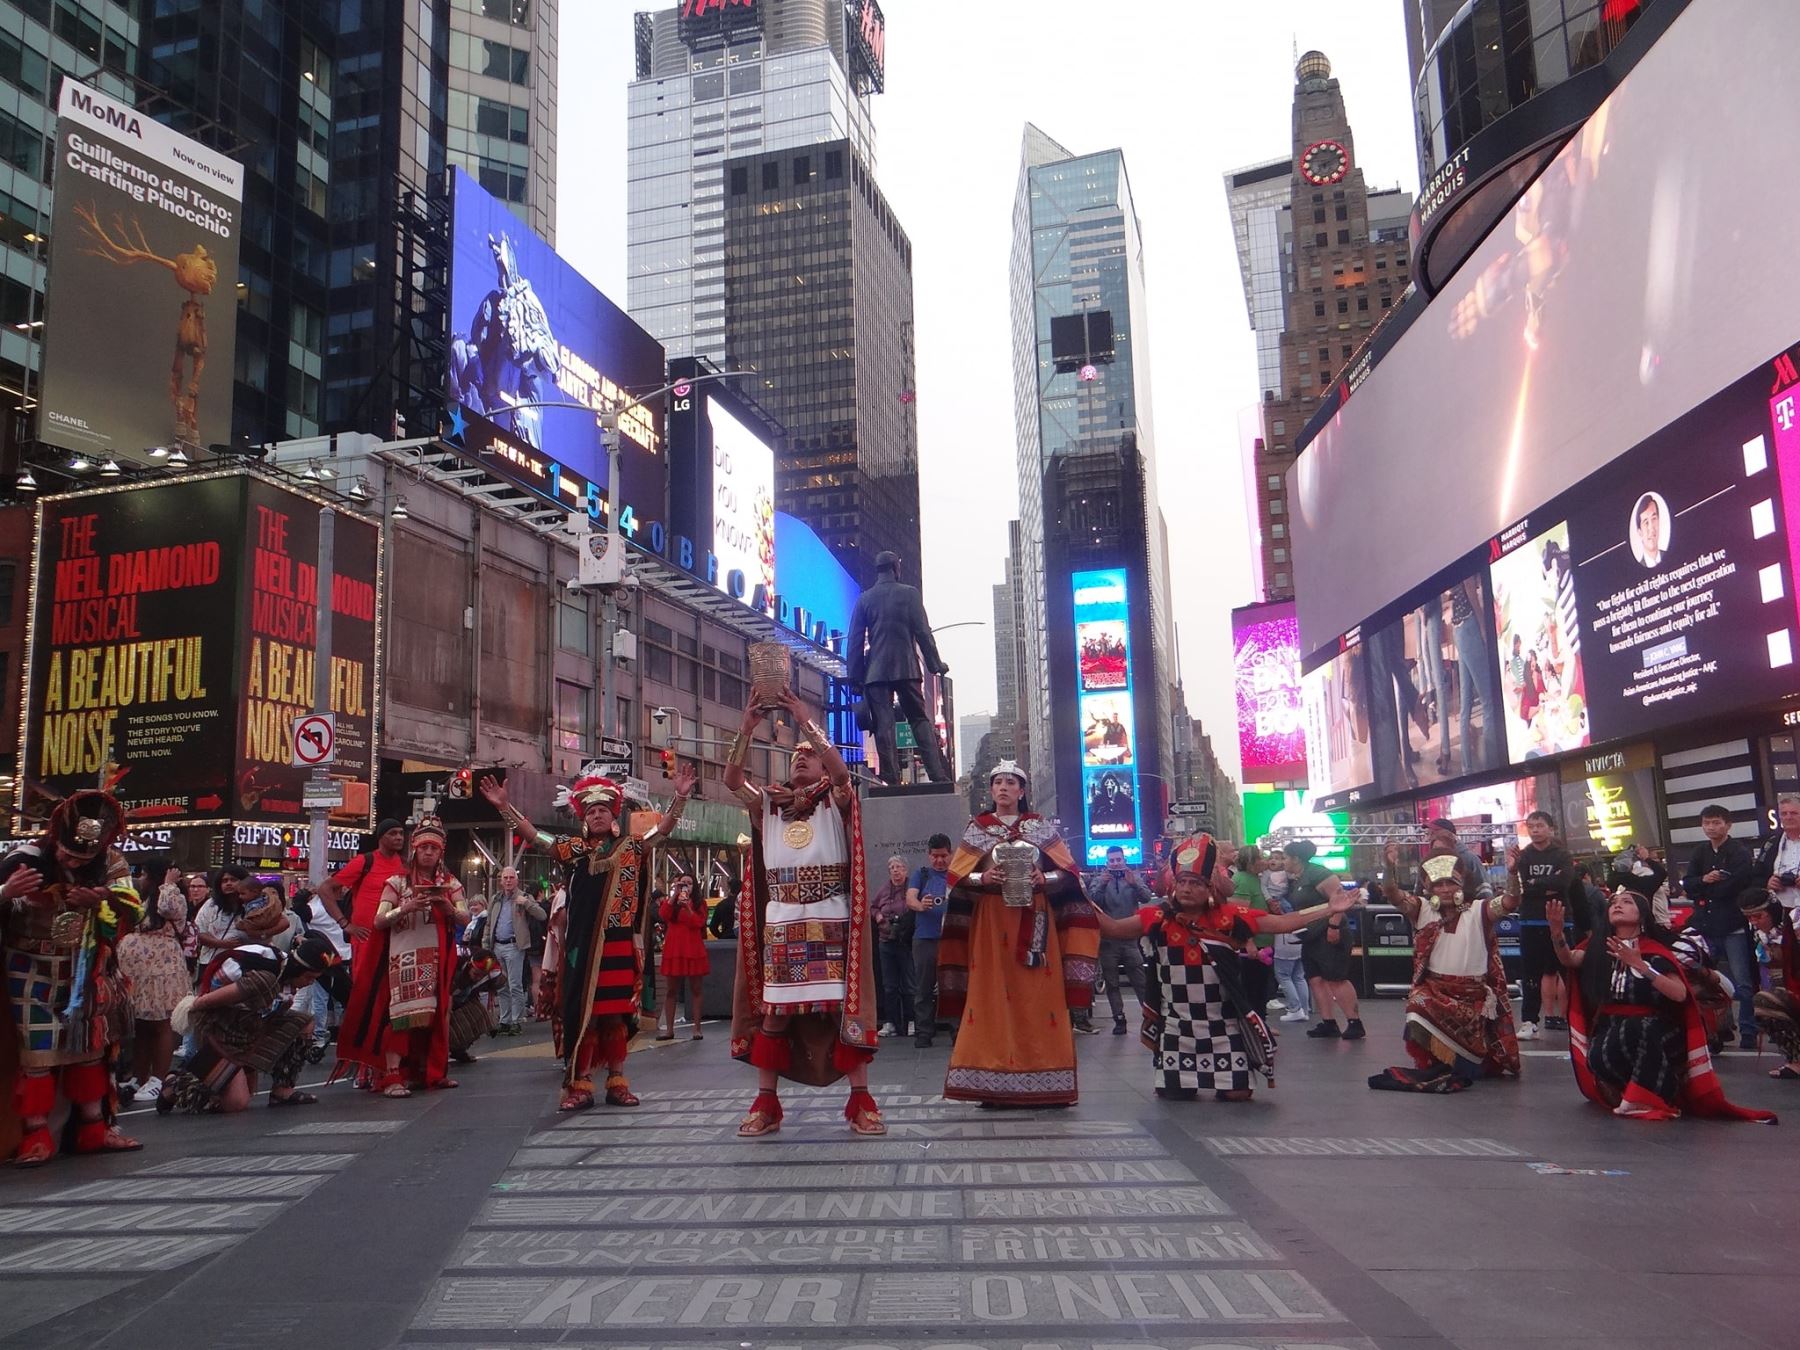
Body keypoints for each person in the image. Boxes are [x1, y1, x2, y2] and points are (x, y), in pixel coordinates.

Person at [482, 762, 694, 1112]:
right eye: (592, 810)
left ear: (613, 815)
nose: (597, 815)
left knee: (615, 1015)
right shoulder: (571, 849)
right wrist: (505, 808)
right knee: (584, 1012)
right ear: (583, 816)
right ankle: (581, 1083)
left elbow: (664, 830)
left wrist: (680, 796)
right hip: (583, 946)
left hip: (618, 943)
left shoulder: (632, 846)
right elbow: (534, 835)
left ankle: (617, 1080)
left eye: (603, 810)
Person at [1091, 835, 1357, 1102]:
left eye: (1194, 883)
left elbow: (1283, 923)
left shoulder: (1229, 916)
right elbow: (1112, 928)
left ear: (1209, 889)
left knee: (1238, 1094)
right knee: (1174, 1094)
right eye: (1182, 882)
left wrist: (1328, 909)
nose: (1186, 889)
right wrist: (1077, 894)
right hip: (1176, 1027)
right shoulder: (1158, 917)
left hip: (1222, 1025)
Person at [725, 689, 883, 1137]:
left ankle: (861, 1103)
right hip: (782, 920)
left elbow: (839, 771)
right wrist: (746, 728)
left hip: (831, 915)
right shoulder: (768, 805)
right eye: (794, 755)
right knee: (775, 1014)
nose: (800, 759)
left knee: (840, 1011)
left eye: (808, 755)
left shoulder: (837, 800)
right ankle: (766, 1105)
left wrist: (804, 719)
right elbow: (733, 779)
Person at [936, 761, 1099, 1107]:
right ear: (991, 790)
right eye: (998, 783)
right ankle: (990, 1083)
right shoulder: (977, 828)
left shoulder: (1040, 828)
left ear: (1021, 791)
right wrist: (983, 879)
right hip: (991, 922)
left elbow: (1071, 874)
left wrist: (1046, 878)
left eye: (1011, 782)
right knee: (991, 997)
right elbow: (956, 878)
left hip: (1035, 918)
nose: (1004, 788)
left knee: (1039, 997)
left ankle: (1047, 1079)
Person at [1, 790, 145, 1165]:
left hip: (85, 967)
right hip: (28, 966)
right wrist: (6, 892)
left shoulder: (112, 862)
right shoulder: (26, 858)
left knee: (90, 1051)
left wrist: (100, 901)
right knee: (37, 1055)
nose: (70, 859)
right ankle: (35, 1137)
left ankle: (93, 1129)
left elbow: (134, 909)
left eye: (82, 857)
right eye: (67, 853)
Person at [1553, 889, 1774, 1122]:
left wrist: (1641, 966)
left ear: (1642, 915)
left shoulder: (1655, 950)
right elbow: (1568, 958)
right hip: (1612, 1026)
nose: (1617, 905)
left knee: (1638, 1028)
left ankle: (1646, 1097)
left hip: (1658, 1028)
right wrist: (1556, 932)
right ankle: (1645, 1088)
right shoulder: (1598, 948)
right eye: (1613, 903)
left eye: (1626, 902)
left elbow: (1679, 994)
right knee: (1597, 1059)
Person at [332, 817, 469, 1098]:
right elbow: (379, 920)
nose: (428, 853)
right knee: (401, 1017)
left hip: (435, 960)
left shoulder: (451, 883)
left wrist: (445, 906)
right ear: (415, 850)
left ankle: (428, 1072)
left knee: (434, 1017)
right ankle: (392, 1075)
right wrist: (407, 908)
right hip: (401, 958)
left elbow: (465, 917)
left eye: (433, 848)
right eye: (423, 848)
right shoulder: (396, 882)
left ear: (440, 851)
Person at [1369, 850, 1521, 1092]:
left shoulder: (1480, 910)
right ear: (1429, 888)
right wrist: (1389, 868)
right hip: (1434, 990)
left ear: (1461, 885)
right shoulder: (1422, 909)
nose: (1445, 889)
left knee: (1471, 1072)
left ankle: (1461, 1066)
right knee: (1417, 1006)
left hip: (1471, 997)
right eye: (1439, 884)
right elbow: (1392, 893)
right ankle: (1430, 1063)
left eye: (1451, 882)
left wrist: (1513, 873)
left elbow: (1511, 901)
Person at [160, 932, 341, 1114]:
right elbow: (204, 1002)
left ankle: (282, 1092)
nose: (309, 983)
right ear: (298, 968)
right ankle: (174, 1086)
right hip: (220, 1030)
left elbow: (267, 1012)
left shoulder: (281, 971)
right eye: (309, 978)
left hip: (245, 1029)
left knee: (303, 1023)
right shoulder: (263, 976)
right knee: (236, 1103)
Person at [846, 550, 953, 784]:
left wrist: (854, 677)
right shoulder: (910, 594)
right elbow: (923, 633)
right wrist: (935, 664)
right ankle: (937, 775)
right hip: (906, 667)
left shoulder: (865, 599)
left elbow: (854, 640)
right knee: (918, 719)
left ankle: (890, 780)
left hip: (876, 671)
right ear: (896, 567)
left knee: (884, 723)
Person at [1684, 803, 1758, 1048]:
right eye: (1706, 823)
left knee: (1742, 982)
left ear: (1728, 825)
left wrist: (1703, 886)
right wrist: (1704, 880)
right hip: (1705, 926)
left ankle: (1748, 1030)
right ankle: (1715, 1030)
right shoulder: (1699, 852)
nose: (1711, 827)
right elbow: (1688, 883)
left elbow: (1736, 884)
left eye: (1716, 822)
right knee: (1704, 981)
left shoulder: (1738, 852)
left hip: (1733, 925)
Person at [114, 865, 190, 1104]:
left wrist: (168, 883)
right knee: (141, 1025)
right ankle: (139, 1076)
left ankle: (158, 1079)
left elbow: (168, 908)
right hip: (138, 971)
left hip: (163, 969)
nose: (142, 878)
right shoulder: (141, 898)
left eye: (146, 874)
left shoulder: (173, 896)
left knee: (161, 1023)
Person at [1284, 840, 1365, 1040]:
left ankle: (1354, 1022)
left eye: (1285, 857)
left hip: (1329, 932)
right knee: (1315, 979)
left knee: (1336, 978)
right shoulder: (1298, 878)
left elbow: (1340, 900)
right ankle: (1329, 1022)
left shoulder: (1319, 874)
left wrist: (1334, 926)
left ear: (1295, 858)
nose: (1283, 861)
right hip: (1310, 935)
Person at [1508, 810, 1577, 1040]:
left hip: (1560, 919)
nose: (1535, 830)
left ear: (1550, 828)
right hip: (1530, 919)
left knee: (1567, 969)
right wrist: (1544, 885)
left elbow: (1564, 881)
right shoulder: (1524, 856)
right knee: (1531, 973)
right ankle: (1529, 1021)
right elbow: (1523, 887)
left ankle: (1578, 1018)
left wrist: (1536, 883)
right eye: (1531, 826)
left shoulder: (1562, 854)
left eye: (1539, 825)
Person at [1088, 845, 1152, 1035]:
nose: (1116, 864)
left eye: (1119, 860)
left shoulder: (1134, 877)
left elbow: (1147, 897)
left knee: (1140, 980)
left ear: (1124, 860)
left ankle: (1149, 1015)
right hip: (1108, 939)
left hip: (1130, 937)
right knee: (1112, 982)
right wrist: (1101, 884)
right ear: (1107, 862)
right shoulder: (1099, 880)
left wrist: (1134, 884)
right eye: (1112, 861)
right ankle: (1119, 1018)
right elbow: (1092, 903)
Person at [1743, 889, 1800, 1079]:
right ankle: (1795, 1059)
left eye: (1758, 916)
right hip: (1785, 988)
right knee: (1764, 1004)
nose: (1754, 921)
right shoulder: (1759, 935)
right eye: (1749, 918)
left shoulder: (1794, 923)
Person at [481, 866, 544, 1036]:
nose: (508, 880)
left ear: (517, 880)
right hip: (497, 946)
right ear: (501, 881)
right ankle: (505, 1020)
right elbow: (489, 924)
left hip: (515, 946)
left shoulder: (523, 897)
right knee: (501, 985)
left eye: (511, 877)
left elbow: (542, 915)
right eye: (505, 878)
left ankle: (516, 1021)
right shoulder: (496, 898)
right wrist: (486, 945)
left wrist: (528, 903)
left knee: (515, 985)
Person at [907, 835, 955, 1047]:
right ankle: (924, 1032)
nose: (939, 861)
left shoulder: (957, 875)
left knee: (954, 986)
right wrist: (921, 905)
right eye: (935, 856)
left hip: (952, 938)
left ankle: (957, 1030)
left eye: (943, 856)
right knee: (923, 988)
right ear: (929, 855)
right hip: (925, 938)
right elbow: (910, 899)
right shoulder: (921, 874)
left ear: (950, 854)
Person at [656, 875, 710, 1040]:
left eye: (689, 883)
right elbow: (663, 915)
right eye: (682, 883)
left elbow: (699, 923)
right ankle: (669, 1029)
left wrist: (688, 908)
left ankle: (697, 1028)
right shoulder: (672, 902)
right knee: (671, 990)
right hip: (674, 948)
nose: (686, 886)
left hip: (693, 948)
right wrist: (674, 895)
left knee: (696, 989)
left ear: (694, 886)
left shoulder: (700, 903)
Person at [872, 855, 914, 1038]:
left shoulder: (912, 888)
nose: (895, 871)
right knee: (889, 985)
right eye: (892, 868)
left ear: (906, 870)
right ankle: (891, 1023)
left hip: (906, 942)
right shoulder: (883, 889)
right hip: (886, 941)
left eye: (899, 867)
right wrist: (878, 916)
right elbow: (872, 907)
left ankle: (912, 1021)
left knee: (910, 984)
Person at [1751, 793, 1800, 913]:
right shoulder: (1771, 844)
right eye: (1784, 814)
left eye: (1794, 813)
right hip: (1781, 910)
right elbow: (1755, 877)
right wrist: (1768, 882)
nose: (1788, 817)